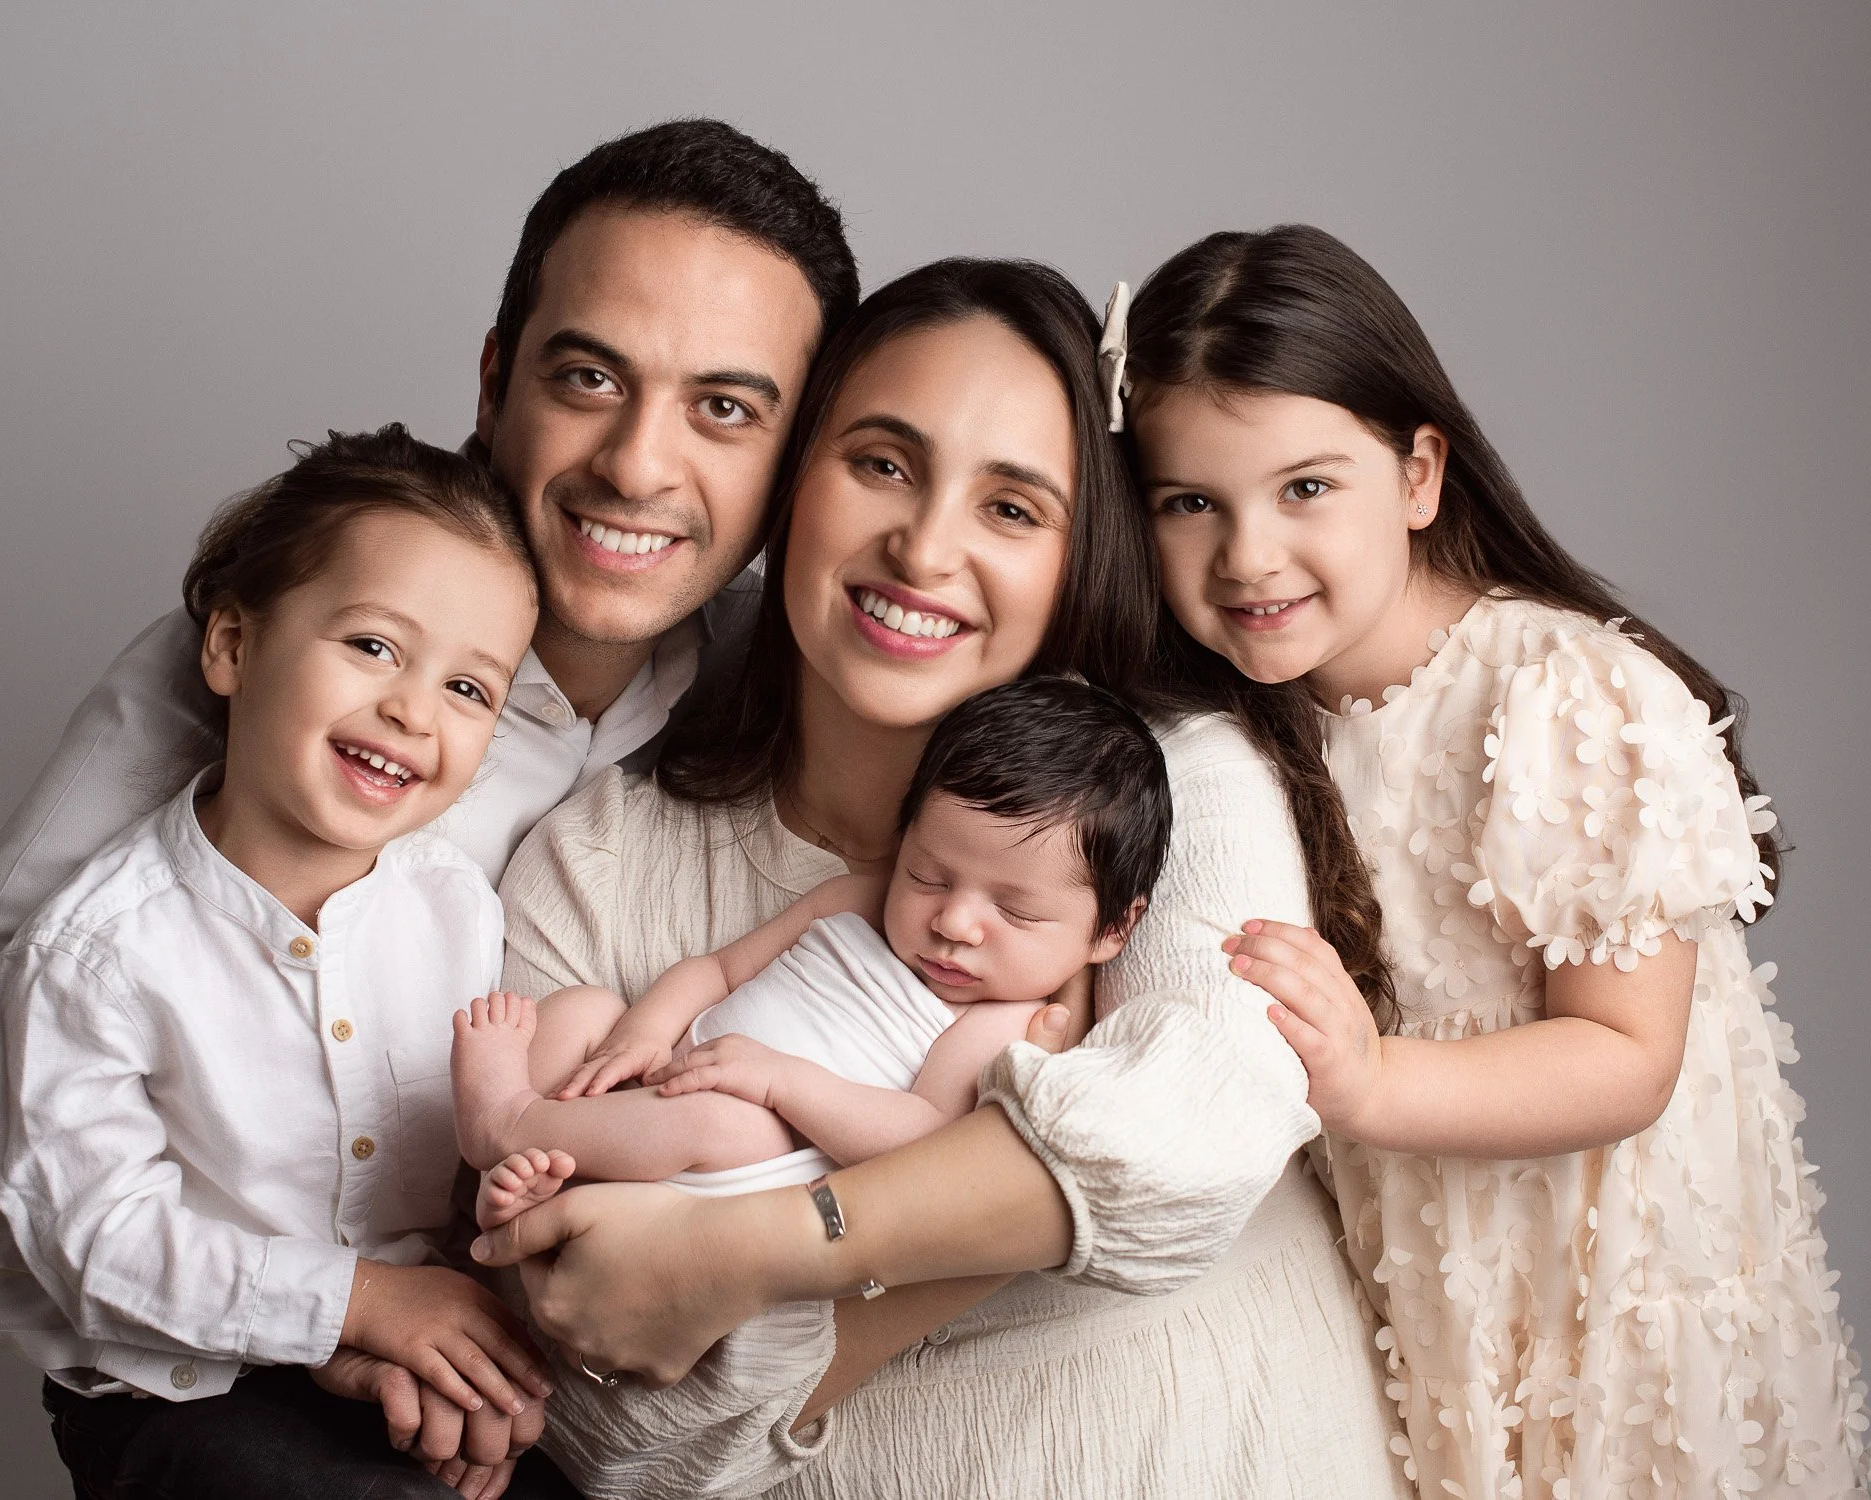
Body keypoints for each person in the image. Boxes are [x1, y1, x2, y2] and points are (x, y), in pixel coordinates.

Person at [0, 118, 856, 1496]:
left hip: (555, 1388)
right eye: (589, 376)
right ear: (497, 379)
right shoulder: (261, 671)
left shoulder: (792, 689)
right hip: (242, 1399)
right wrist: (324, 1317)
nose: (638, 465)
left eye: (725, 409)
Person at [473, 258, 1413, 1497]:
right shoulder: (596, 864)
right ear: (790, 483)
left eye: (1011, 509)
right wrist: (991, 1209)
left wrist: (744, 1256)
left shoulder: (1166, 785)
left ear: (1083, 557)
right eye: (880, 464)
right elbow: (602, 1417)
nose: (922, 549)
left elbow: (1203, 1121)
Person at [1122, 224, 1870, 1495]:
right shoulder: (1224, 735)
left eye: (1305, 488)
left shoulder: (1560, 695)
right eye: (1191, 502)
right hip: (1423, 1314)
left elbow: (1627, 1058)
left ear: (1417, 475)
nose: (1245, 555)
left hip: (1616, 1310)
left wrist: (1366, 1085)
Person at [0, 426, 570, 1494]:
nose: (411, 709)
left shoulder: (453, 909)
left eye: (470, 690)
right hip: (182, 1386)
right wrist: (360, 1306)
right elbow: (99, 1239)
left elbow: (471, 1155)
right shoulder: (95, 957)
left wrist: (455, 1362)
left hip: (405, 1331)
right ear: (234, 646)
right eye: (373, 646)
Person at [453, 676, 1170, 1224]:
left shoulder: (1003, 1021)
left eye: (1013, 910)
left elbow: (919, 1137)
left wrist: (780, 1083)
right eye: (928, 874)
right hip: (666, 1080)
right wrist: (643, 1033)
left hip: (747, 1157)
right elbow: (717, 971)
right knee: (586, 1008)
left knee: (713, 1119)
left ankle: (508, 1124)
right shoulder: (855, 901)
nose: (953, 921)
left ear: (1112, 929)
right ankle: (525, 1178)